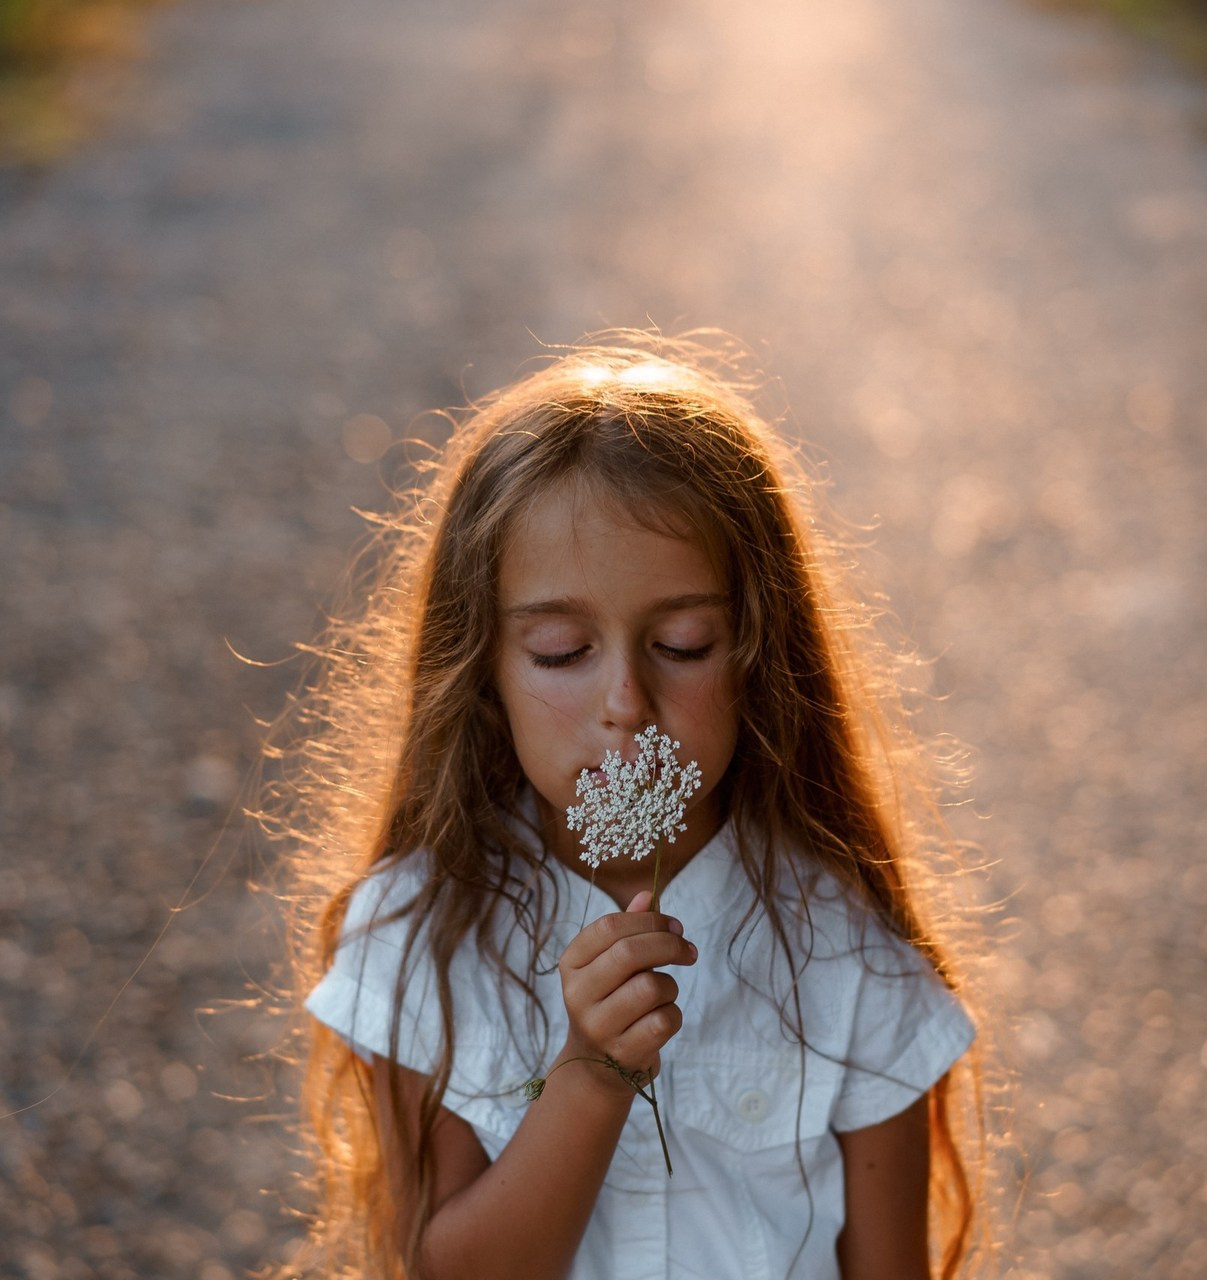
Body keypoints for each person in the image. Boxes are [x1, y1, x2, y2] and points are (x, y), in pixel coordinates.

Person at [276, 335, 991, 1280]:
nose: (626, 702)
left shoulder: (848, 955)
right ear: (482, 672)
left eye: (685, 644)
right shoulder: (421, 939)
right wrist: (592, 1075)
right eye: (565, 651)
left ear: (756, 658)